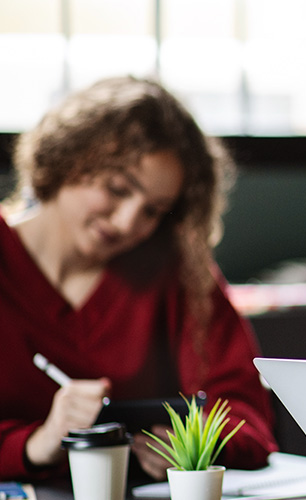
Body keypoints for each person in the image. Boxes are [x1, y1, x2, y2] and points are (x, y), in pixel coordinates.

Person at [0, 76, 278, 482]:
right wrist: (36, 443)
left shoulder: (177, 271)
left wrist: (189, 445)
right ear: (66, 158)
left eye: (153, 211)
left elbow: (246, 415)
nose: (129, 222)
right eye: (116, 189)